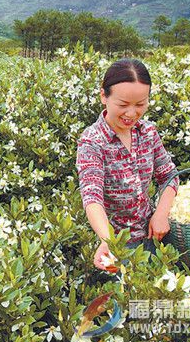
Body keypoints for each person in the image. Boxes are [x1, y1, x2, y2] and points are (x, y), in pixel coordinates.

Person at [76, 58, 179, 271]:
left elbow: (169, 175)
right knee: (122, 301)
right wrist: (108, 240)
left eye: (140, 104)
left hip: (153, 236)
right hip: (117, 246)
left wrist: (161, 214)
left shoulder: (148, 132)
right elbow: (91, 195)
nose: (131, 114)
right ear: (104, 96)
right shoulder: (92, 141)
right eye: (123, 105)